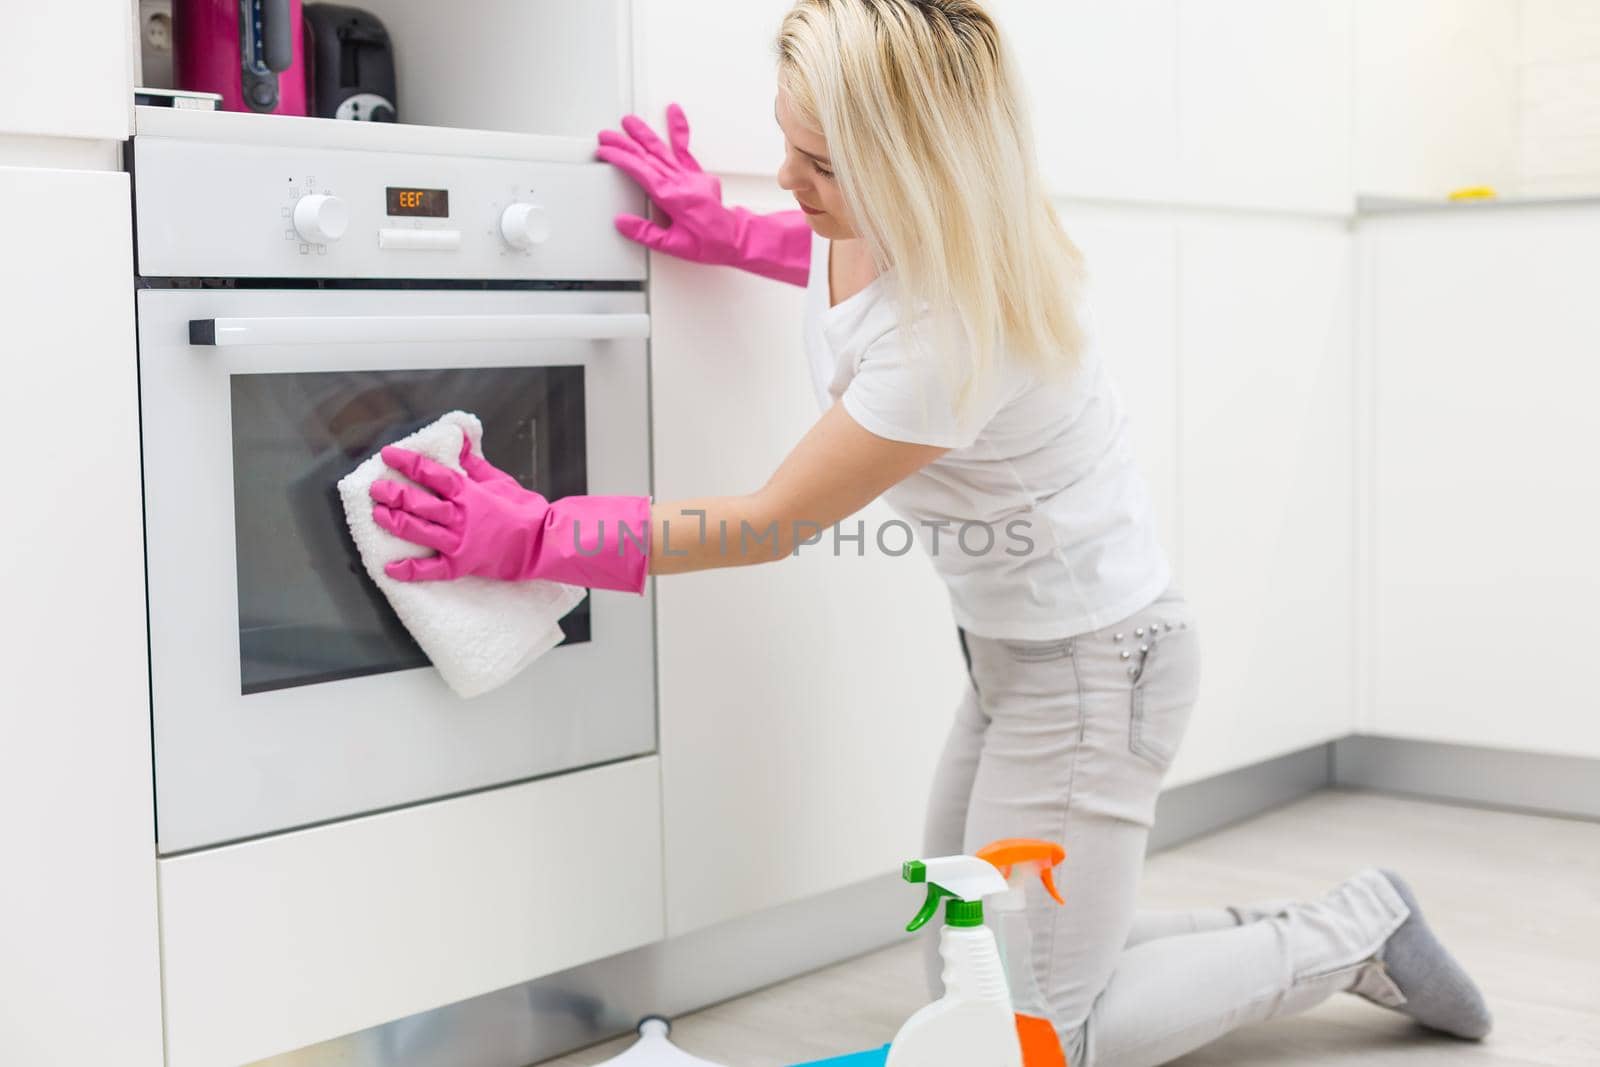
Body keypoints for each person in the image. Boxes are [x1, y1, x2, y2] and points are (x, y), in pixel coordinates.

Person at [367, 2, 1493, 1063]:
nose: (793, 183)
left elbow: (768, 522)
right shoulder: (916, 220)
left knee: (1035, 1036)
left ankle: (1354, 928)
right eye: (787, 148)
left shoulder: (959, 329)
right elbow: (842, 276)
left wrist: (534, 535)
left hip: (1098, 672)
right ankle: (1282, 927)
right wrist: (734, 232)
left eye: (821, 166)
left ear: (917, 168)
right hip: (1018, 652)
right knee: (975, 960)